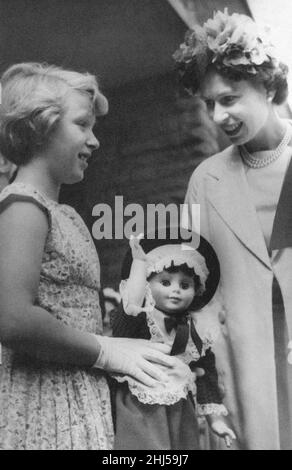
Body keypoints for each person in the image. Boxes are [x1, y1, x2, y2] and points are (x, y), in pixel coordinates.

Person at [0, 62, 177, 450]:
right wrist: (107, 351)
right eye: (82, 125)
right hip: (42, 400)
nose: (94, 141)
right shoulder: (23, 206)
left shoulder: (62, 213)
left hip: (76, 393)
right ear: (39, 127)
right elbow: (12, 319)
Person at [174, 9, 292, 449]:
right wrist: (212, 393)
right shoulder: (206, 180)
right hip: (248, 367)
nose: (219, 115)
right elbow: (197, 290)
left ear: (267, 85)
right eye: (210, 103)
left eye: (230, 97)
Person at [112, 233, 235, 450]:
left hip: (179, 406)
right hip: (140, 405)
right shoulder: (140, 318)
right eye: (166, 282)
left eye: (185, 285)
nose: (176, 290)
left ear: (197, 291)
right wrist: (139, 264)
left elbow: (205, 372)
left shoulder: (193, 330)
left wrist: (215, 419)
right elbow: (129, 309)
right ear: (148, 284)